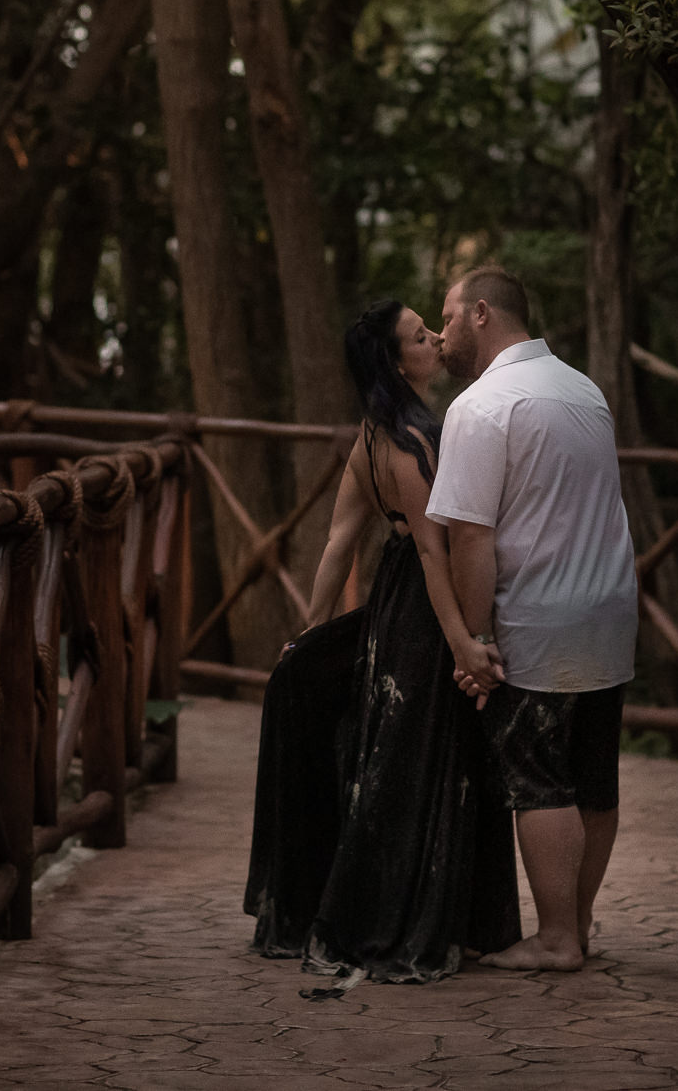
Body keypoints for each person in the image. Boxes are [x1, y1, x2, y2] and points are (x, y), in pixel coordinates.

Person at [244, 299, 521, 983]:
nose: (435, 339)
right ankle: (409, 916)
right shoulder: (414, 439)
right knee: (425, 759)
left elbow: (340, 543)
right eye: (421, 336)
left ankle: (441, 912)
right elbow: (435, 552)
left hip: (396, 604)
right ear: (401, 362)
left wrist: (310, 633)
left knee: (400, 759)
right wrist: (464, 641)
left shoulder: (371, 437)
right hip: (427, 610)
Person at [426, 266, 638, 972]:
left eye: (450, 315)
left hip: (538, 619)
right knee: (593, 777)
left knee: (539, 778)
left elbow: (471, 536)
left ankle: (554, 937)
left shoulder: (483, 405)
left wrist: (475, 637)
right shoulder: (585, 390)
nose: (443, 329)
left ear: (482, 313)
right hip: (607, 609)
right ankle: (575, 922)